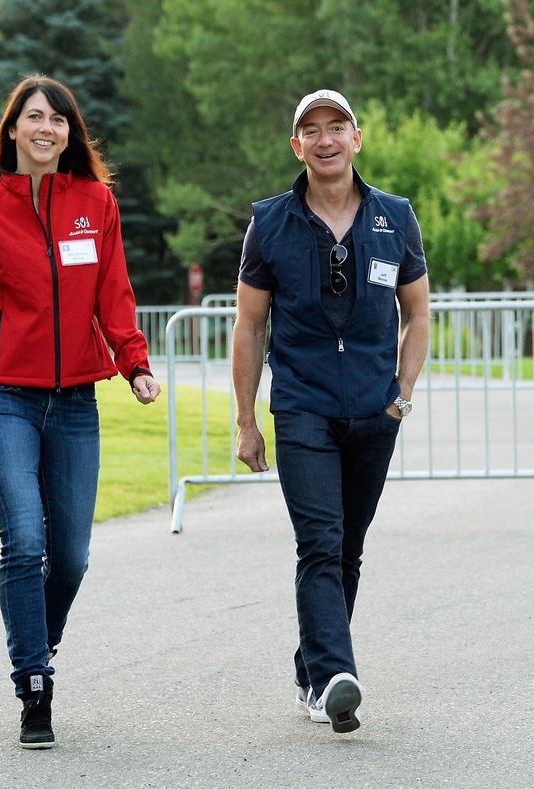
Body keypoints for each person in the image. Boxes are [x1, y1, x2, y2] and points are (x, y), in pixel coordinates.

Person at [0, 75, 160, 749]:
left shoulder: (96, 203)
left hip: (76, 400)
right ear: (12, 130)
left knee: (70, 557)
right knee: (24, 537)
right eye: (34, 117)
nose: (46, 128)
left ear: (69, 134)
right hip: (3, 400)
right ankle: (34, 681)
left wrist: (134, 362)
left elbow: (114, 292)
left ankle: (35, 640)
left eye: (59, 120)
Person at [232, 89, 429, 734]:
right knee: (319, 542)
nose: (324, 139)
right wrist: (246, 418)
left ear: (357, 138)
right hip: (302, 407)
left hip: (375, 411)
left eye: (335, 127)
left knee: (347, 548)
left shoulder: (395, 217)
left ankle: (312, 665)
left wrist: (400, 395)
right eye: (310, 130)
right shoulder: (270, 222)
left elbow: (418, 312)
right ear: (296, 146)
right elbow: (249, 325)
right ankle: (336, 679)